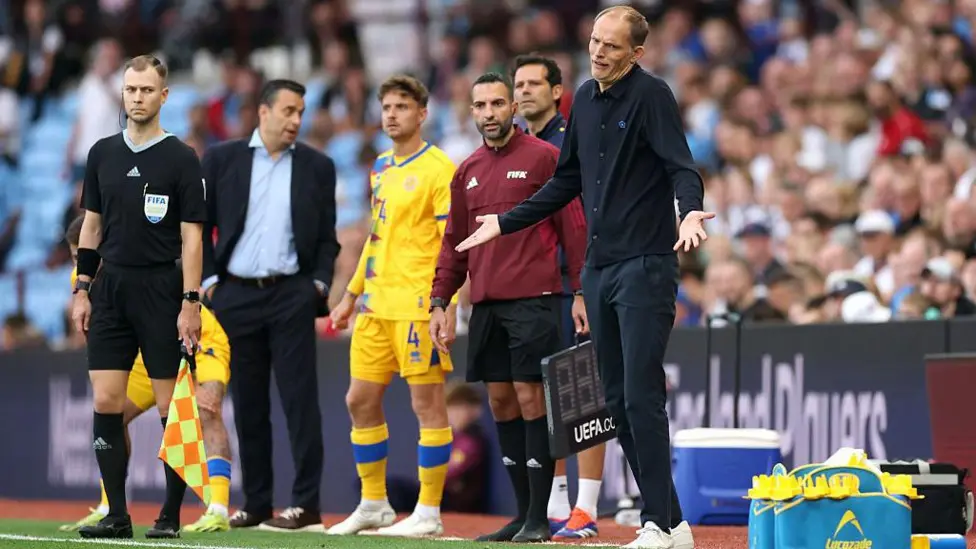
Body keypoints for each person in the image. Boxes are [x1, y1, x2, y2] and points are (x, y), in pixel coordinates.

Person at [453, 7, 714, 549]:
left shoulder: (652, 95)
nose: (598, 52)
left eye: (612, 47)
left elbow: (680, 166)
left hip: (645, 264)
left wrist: (689, 209)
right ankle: (674, 522)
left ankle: (657, 523)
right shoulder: (586, 101)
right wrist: (504, 222)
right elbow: (565, 180)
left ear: (636, 54)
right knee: (616, 400)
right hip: (599, 270)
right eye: (595, 41)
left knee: (641, 395)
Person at [429, 72, 588, 543]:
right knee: (498, 401)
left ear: (513, 108)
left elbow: (573, 229)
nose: (490, 113)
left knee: (529, 396)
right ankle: (522, 515)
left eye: (498, 103)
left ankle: (541, 516)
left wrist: (579, 291)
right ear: (472, 112)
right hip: (486, 304)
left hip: (536, 300)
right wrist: (440, 299)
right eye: (481, 106)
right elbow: (454, 242)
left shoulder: (545, 157)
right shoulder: (467, 170)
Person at [70, 54, 206, 540]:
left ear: (163, 96)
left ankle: (170, 515)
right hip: (111, 287)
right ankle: (117, 515)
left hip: (162, 288)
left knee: (172, 406)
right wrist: (82, 289)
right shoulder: (102, 152)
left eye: (147, 90)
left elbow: (192, 237)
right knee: (107, 399)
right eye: (130, 90)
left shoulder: (181, 158)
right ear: (122, 94)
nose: (137, 98)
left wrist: (190, 301)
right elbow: (92, 225)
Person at [200, 78, 340, 532]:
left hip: (291, 294)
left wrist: (317, 286)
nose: (297, 120)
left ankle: (305, 504)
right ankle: (257, 501)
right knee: (248, 403)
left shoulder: (319, 166)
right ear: (263, 112)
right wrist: (210, 284)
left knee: (300, 400)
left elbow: (326, 238)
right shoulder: (221, 159)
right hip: (235, 294)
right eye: (289, 111)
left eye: (301, 112)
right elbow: (199, 229)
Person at [326, 74, 458, 538]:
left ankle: (428, 510)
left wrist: (447, 302)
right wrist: (350, 295)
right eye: (386, 107)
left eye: (402, 107)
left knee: (427, 405)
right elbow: (374, 237)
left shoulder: (440, 169)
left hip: (418, 306)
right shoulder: (381, 165)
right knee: (358, 400)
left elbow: (452, 243)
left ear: (422, 114)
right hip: (375, 309)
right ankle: (375, 503)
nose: (391, 114)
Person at [59, 215, 236, 534]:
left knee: (206, 410)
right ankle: (108, 506)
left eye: (82, 253)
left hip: (201, 341)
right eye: (76, 255)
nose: (79, 261)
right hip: (147, 352)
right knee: (112, 415)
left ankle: (218, 508)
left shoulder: (139, 263)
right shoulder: (83, 277)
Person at [512, 53, 607, 541]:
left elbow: (583, 220)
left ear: (556, 91)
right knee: (540, 398)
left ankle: (585, 508)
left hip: (575, 285)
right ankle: (552, 504)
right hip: (530, 291)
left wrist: (582, 285)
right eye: (519, 84)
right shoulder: (512, 148)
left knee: (583, 392)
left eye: (535, 83)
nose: (525, 91)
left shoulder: (574, 140)